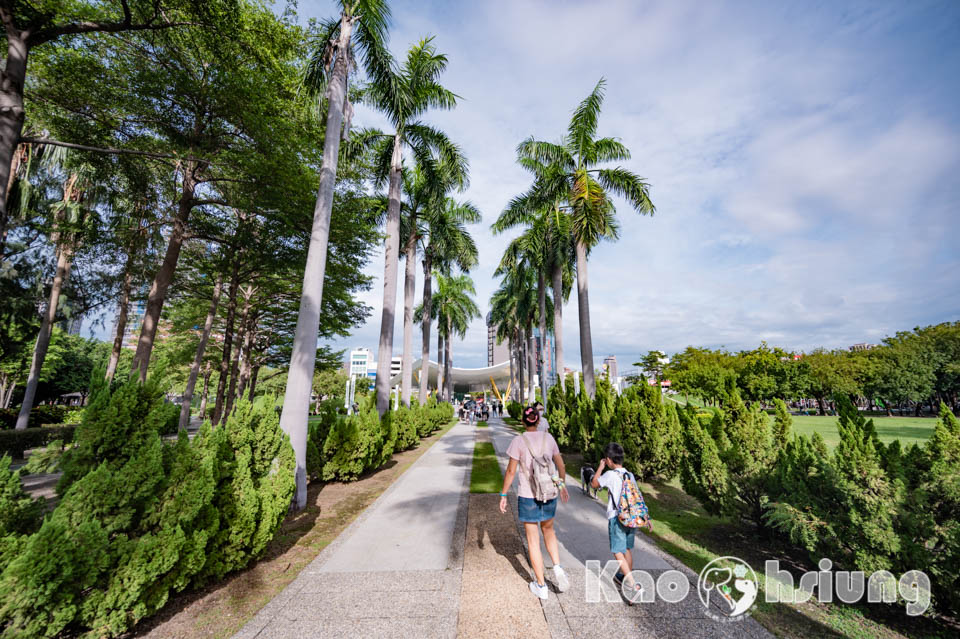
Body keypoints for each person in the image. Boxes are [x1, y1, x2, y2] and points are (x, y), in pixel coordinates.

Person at [499, 406, 570, 600]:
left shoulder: (518, 441)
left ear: (523, 421)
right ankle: (557, 568)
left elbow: (511, 472)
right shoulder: (550, 439)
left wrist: (503, 494)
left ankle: (541, 586)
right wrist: (562, 486)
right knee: (549, 531)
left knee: (533, 541)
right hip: (549, 493)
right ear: (538, 421)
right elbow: (561, 465)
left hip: (528, 495)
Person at [590, 442, 654, 603]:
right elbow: (638, 496)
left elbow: (594, 484)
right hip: (632, 518)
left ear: (609, 460)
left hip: (617, 518)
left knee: (617, 552)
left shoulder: (610, 475)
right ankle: (624, 577)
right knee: (626, 549)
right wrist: (647, 518)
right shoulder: (629, 475)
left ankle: (634, 586)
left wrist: (600, 467)